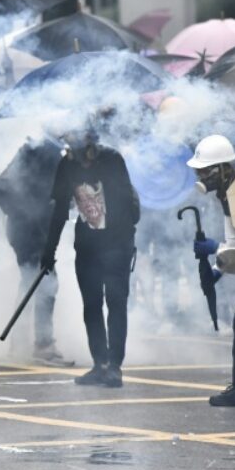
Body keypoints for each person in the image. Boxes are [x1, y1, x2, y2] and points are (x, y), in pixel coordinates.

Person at [41, 129, 139, 388]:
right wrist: (48, 251)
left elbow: (128, 206)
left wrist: (125, 243)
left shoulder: (112, 160)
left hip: (117, 244)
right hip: (87, 247)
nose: (74, 153)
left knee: (116, 303)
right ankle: (100, 364)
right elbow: (60, 210)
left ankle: (115, 367)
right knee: (92, 306)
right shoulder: (67, 165)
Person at [0, 137, 72, 366]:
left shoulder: (31, 152)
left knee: (30, 281)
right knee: (46, 283)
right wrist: (27, 210)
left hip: (26, 229)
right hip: (29, 231)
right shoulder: (49, 155)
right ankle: (43, 345)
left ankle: (20, 343)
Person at [185, 135, 235, 406]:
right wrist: (217, 269)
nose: (201, 176)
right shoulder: (229, 194)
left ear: (221, 169)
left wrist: (214, 249)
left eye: (204, 170)